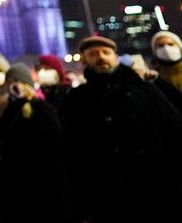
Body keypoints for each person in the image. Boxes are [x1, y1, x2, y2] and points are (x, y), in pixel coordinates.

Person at [62, 36, 182, 222]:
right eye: (93, 54)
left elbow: (174, 131)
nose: (101, 57)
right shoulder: (77, 100)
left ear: (115, 57)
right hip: (107, 198)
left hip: (155, 190)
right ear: (84, 60)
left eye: (106, 52)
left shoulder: (144, 90)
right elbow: (72, 152)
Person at [0, 64, 66, 223]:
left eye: (17, 81)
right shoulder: (9, 108)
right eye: (10, 82)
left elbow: (54, 148)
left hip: (37, 184)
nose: (13, 86)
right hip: (18, 185)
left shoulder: (39, 107)